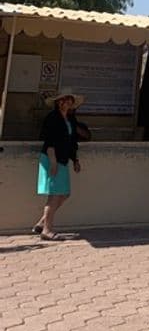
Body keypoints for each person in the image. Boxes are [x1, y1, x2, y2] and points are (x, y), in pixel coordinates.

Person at [34, 89, 85, 241]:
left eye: (70, 101)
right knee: (55, 194)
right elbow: (49, 141)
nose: (67, 103)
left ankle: (42, 222)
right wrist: (53, 161)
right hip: (52, 158)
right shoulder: (52, 118)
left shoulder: (69, 119)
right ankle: (47, 230)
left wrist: (75, 160)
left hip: (62, 158)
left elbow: (71, 141)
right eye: (64, 100)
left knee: (64, 193)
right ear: (58, 102)